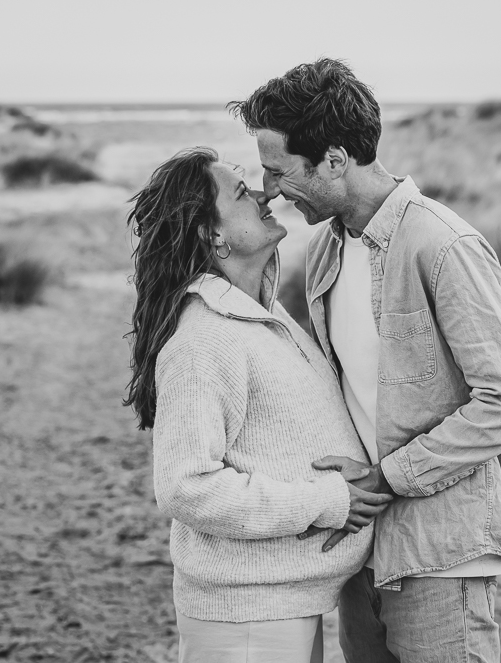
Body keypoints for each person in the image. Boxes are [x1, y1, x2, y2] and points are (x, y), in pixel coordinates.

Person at [230, 60, 501, 663]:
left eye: (279, 171)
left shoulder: (441, 245)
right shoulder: (325, 250)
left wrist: (389, 477)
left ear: (335, 160)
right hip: (361, 548)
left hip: (440, 552)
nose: (269, 190)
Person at [124, 147, 393, 663]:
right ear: (212, 233)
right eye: (240, 192)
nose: (265, 195)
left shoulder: (260, 313)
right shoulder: (204, 338)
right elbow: (185, 487)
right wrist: (326, 502)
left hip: (281, 603)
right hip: (246, 618)